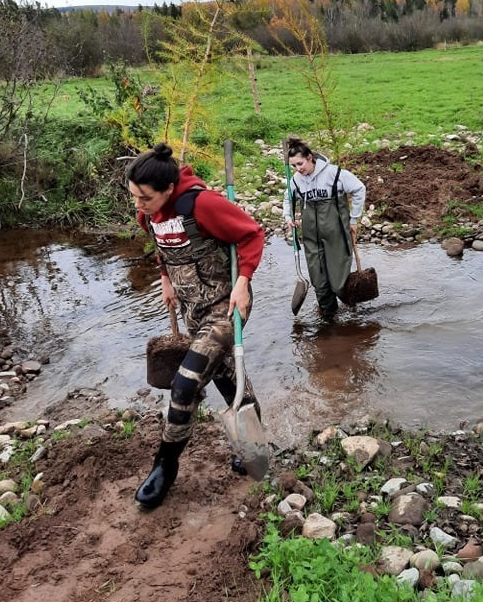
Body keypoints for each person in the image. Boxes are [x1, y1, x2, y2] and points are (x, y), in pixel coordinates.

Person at [126, 142, 264, 509]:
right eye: (134, 196)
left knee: (186, 383)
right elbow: (161, 247)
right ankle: (253, 443)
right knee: (224, 374)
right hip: (194, 311)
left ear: (168, 190)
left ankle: (164, 466)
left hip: (226, 306)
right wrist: (166, 278)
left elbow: (252, 233)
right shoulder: (149, 215)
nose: (138, 205)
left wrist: (243, 281)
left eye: (144, 197)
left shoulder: (201, 204)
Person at [282, 137, 366, 319]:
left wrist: (353, 219)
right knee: (319, 284)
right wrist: (288, 217)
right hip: (311, 237)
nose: (298, 169)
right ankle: (329, 322)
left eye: (300, 163)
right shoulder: (296, 180)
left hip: (336, 234)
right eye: (294, 166)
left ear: (310, 157)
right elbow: (288, 198)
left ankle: (354, 312)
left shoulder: (335, 174)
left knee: (338, 283)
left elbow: (359, 188)